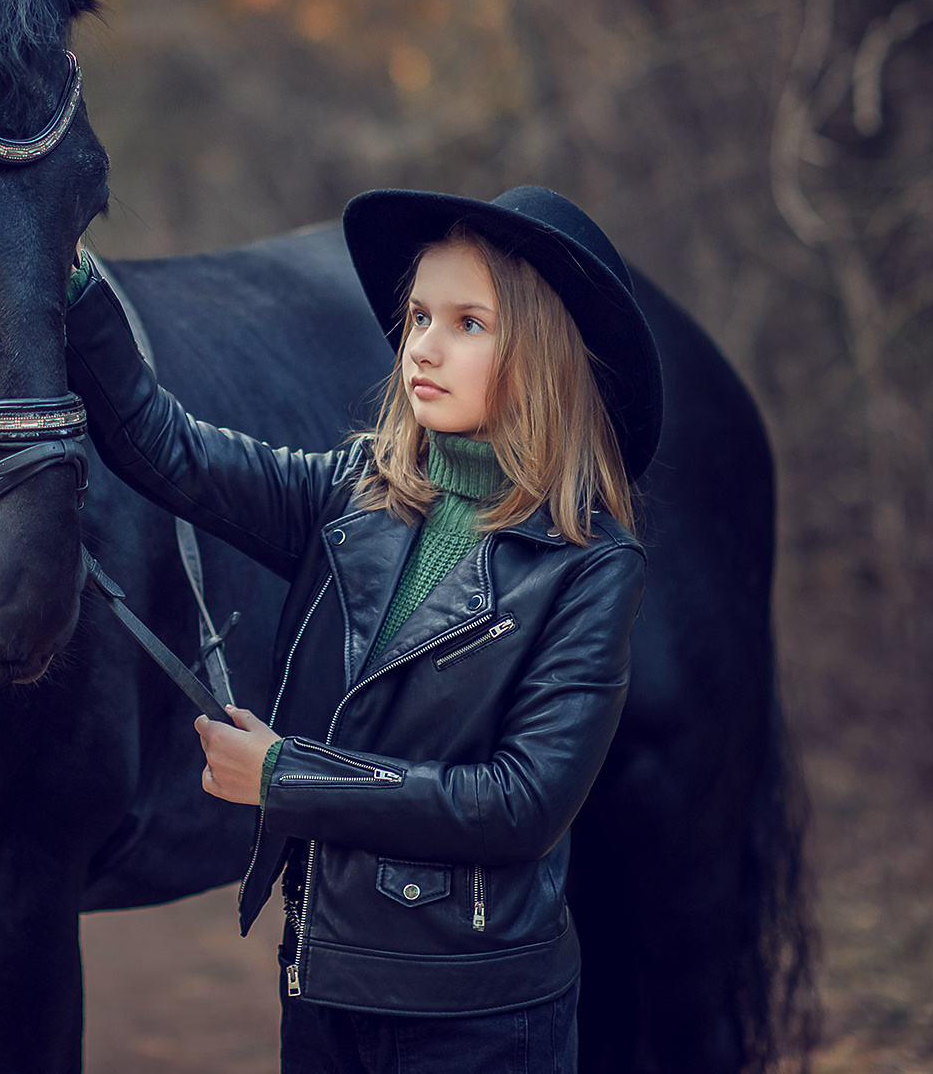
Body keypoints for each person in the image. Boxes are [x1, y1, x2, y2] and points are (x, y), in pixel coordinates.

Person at [62, 186, 661, 1074]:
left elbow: (518, 804)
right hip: (323, 989)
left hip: (483, 1014)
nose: (423, 344)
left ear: (542, 354)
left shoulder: (587, 565)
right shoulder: (350, 492)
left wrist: (284, 776)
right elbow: (166, 445)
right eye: (419, 314)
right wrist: (71, 281)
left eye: (468, 323)